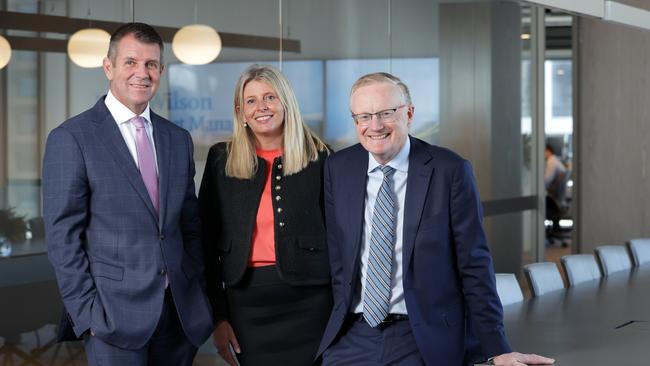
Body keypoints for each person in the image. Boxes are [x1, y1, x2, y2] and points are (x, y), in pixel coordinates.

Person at [316, 72, 555, 366]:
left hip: (420, 334)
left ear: (409, 113)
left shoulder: (449, 170)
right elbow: (337, 258)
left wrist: (497, 346)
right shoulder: (338, 168)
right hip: (354, 333)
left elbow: (474, 264)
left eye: (386, 113)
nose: (374, 126)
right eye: (364, 116)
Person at [43, 23, 213, 366]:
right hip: (112, 318)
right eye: (131, 62)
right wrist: (88, 314)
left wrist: (194, 283)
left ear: (161, 71)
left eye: (151, 64)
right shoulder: (72, 138)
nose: (142, 73)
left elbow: (189, 223)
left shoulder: (177, 138)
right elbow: (63, 237)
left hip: (178, 313)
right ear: (109, 67)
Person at [199, 64, 332, 366]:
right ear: (240, 111)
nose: (262, 107)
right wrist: (218, 317)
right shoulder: (222, 159)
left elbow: (341, 237)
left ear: (286, 102)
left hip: (311, 302)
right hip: (246, 302)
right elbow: (205, 242)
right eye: (251, 100)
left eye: (270, 97)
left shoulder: (320, 157)